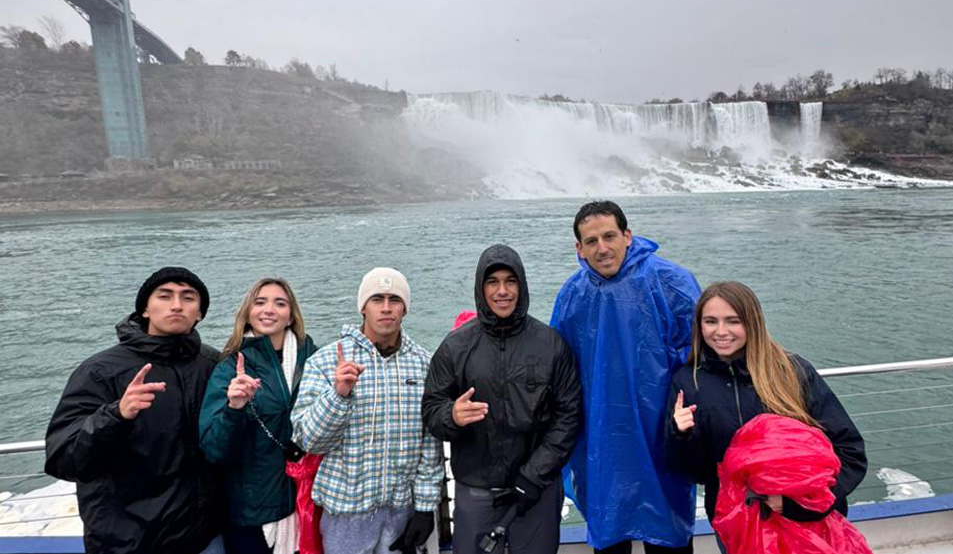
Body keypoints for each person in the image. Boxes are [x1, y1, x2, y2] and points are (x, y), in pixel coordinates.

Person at [666, 281, 867, 553]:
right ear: (699, 326)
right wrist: (683, 436)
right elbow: (696, 473)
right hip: (736, 526)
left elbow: (850, 450)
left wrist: (802, 504)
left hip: (808, 524)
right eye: (711, 321)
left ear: (752, 322)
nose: (721, 331)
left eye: (733, 321)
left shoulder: (792, 371)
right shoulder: (688, 382)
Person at [550, 200, 700, 553]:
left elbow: (701, 354)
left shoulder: (670, 281)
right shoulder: (572, 295)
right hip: (602, 440)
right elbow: (555, 368)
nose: (602, 248)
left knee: (668, 534)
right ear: (579, 248)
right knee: (610, 531)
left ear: (628, 236)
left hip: (662, 433)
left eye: (609, 236)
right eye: (591, 241)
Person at [45, 267, 224, 554]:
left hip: (205, 537)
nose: (177, 305)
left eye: (188, 298)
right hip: (129, 542)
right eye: (165, 296)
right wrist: (116, 415)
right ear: (145, 309)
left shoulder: (213, 365)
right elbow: (63, 458)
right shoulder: (101, 371)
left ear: (200, 313)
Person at [423, 244, 582, 554]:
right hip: (476, 493)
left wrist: (534, 475)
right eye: (492, 282)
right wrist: (451, 416)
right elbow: (431, 410)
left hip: (537, 492)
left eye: (511, 281)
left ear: (521, 286)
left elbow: (569, 415)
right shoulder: (455, 347)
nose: (502, 291)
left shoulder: (551, 345)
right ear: (480, 288)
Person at [291, 267, 444, 554]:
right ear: (363, 307)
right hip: (345, 514)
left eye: (394, 299)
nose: (386, 308)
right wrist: (337, 395)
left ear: (405, 308)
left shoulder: (425, 363)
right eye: (377, 299)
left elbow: (430, 443)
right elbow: (308, 439)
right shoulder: (325, 361)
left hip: (401, 511)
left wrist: (424, 508)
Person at [199, 278, 318, 554]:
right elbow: (214, 449)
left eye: (280, 303)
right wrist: (234, 408)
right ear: (248, 312)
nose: (269, 310)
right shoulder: (230, 368)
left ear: (291, 316)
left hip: (307, 500)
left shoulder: (313, 358)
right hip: (252, 508)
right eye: (260, 302)